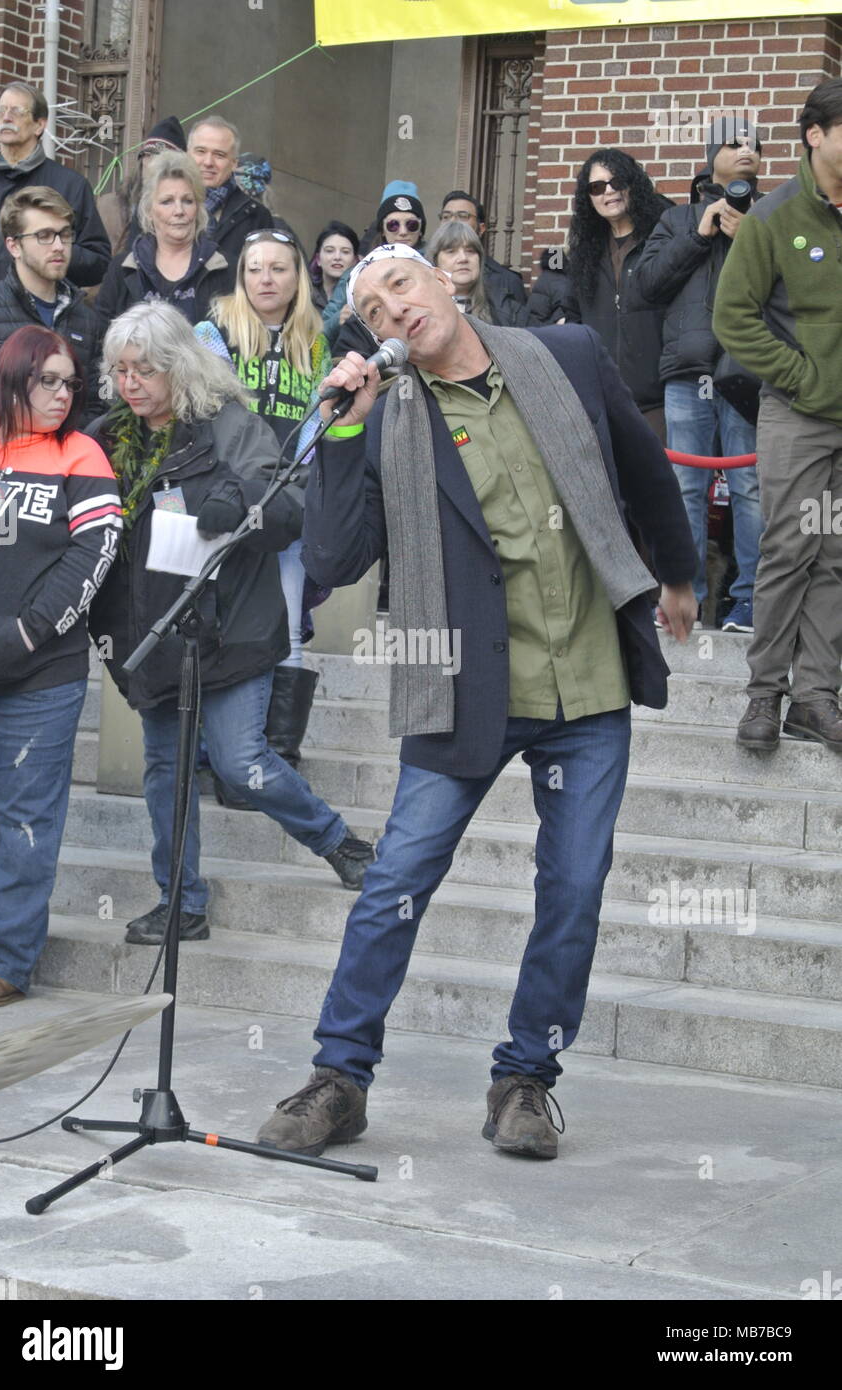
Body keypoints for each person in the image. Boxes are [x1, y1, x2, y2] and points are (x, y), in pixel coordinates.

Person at [254, 245, 697, 1161]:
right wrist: (340, 432)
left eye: (402, 286)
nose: (395, 312)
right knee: (396, 884)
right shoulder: (384, 418)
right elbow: (333, 562)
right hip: (459, 681)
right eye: (372, 311)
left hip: (585, 679)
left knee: (573, 890)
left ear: (446, 281)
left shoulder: (565, 352)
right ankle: (340, 1076)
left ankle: (524, 1078)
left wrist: (680, 574)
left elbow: (645, 464)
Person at [87, 302, 374, 946]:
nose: (130, 383)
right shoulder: (109, 437)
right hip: (152, 629)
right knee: (166, 767)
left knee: (243, 763)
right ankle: (182, 901)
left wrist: (240, 501)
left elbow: (291, 502)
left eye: (145, 370)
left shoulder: (228, 424)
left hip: (233, 622)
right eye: (121, 370)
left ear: (179, 369)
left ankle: (339, 842)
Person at [0, 325, 122, 1006]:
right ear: (13, 378)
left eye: (71, 383)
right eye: (49, 381)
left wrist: (29, 636)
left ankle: (4, 961)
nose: (64, 395)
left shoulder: (82, 453)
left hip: (42, 672)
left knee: (25, 819)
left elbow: (94, 556)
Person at [713, 80, 842, 752]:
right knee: (789, 550)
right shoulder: (773, 217)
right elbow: (732, 317)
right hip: (797, 412)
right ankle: (764, 697)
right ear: (814, 134)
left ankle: (816, 698)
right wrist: (800, 377)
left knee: (837, 556)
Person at [195, 229, 332, 766]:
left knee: (289, 622)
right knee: (216, 619)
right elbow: (208, 410)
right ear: (241, 275)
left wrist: (292, 478)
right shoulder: (213, 332)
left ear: (298, 276)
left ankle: (274, 756)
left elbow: (322, 417)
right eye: (255, 268)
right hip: (228, 494)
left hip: (291, 498)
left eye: (278, 268)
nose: (266, 279)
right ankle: (213, 751)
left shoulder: (317, 341)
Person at [633, 118, 764, 632]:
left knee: (749, 485)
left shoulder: (772, 218)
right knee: (684, 487)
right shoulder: (678, 218)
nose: (747, 149)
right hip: (688, 373)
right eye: (735, 143)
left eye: (755, 144)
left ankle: (750, 601)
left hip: (749, 372)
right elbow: (646, 285)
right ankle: (684, 597)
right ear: (712, 158)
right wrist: (699, 232)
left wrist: (751, 236)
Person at [525, 149, 670, 441]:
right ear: (588, 198)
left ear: (632, 184)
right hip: (604, 398)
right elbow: (574, 317)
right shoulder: (585, 254)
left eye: (617, 182)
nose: (609, 192)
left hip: (660, 399)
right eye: (597, 187)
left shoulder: (662, 238)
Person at [0, 187, 101, 422]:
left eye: (64, 234)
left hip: (66, 453)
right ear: (14, 246)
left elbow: (97, 402)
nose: (59, 246)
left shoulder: (88, 320)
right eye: (44, 235)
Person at [0, 81, 110, 291]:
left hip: (42, 313)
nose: (6, 117)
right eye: (1, 110)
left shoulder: (70, 185)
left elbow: (98, 261)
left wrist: (50, 249)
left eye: (17, 111)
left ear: (39, 125)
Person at [94, 150, 233, 328]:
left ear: (198, 208)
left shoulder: (223, 269)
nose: (179, 211)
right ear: (149, 211)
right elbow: (100, 338)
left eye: (188, 201)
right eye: (167, 201)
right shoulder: (122, 269)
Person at [322, 183, 427, 352]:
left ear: (421, 230)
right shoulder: (355, 276)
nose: (402, 232)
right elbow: (319, 334)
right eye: (393, 225)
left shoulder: (434, 269)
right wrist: (339, 318)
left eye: (411, 225)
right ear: (383, 230)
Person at [187, 115, 276, 263]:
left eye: (219, 155)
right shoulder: (159, 203)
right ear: (187, 154)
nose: (208, 162)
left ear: (234, 163)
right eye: (201, 151)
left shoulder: (256, 215)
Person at [96, 116, 186, 256]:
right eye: (148, 156)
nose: (152, 164)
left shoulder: (182, 212)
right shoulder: (108, 206)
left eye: (161, 158)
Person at [439, 188, 526, 308]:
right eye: (446, 216)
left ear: (481, 228)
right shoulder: (422, 272)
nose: (453, 222)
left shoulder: (508, 282)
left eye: (463, 216)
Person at [427, 220, 524, 326]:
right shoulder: (419, 311)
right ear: (435, 261)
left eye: (470, 251)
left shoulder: (506, 309)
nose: (463, 258)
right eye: (451, 251)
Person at [310, 220, 359, 313]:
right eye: (329, 250)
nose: (337, 257)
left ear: (355, 261)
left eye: (345, 252)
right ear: (318, 259)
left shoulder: (360, 297)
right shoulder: (303, 295)